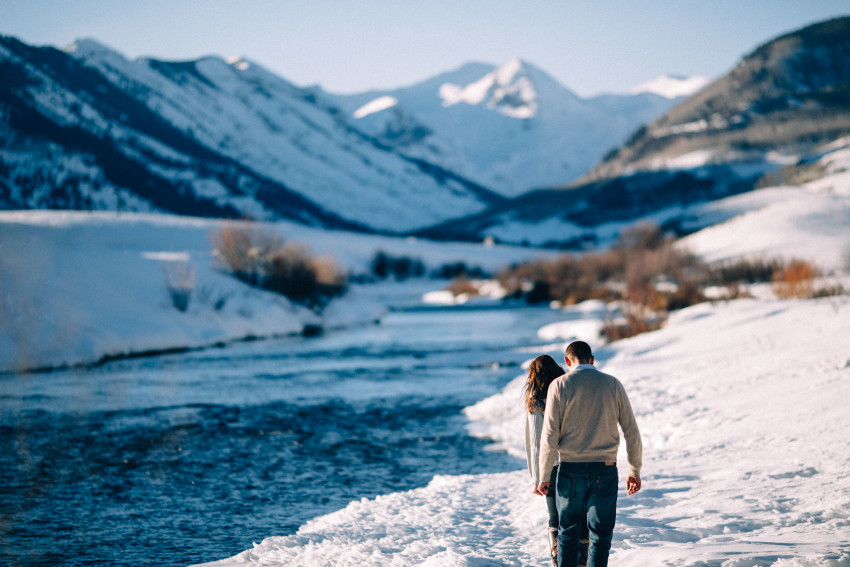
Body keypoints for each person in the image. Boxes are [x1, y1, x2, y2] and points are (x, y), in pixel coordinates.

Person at [535, 341, 642, 567]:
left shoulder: (559, 386)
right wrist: (634, 471)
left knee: (568, 532)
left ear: (567, 361)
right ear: (592, 359)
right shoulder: (612, 384)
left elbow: (549, 435)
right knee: (600, 535)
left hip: (569, 469)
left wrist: (544, 476)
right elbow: (631, 431)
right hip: (604, 469)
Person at [523, 354, 589, 567]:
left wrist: (537, 477)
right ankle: (581, 560)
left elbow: (536, 443)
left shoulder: (537, 401)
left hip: (551, 467)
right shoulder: (568, 391)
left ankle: (558, 561)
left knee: (555, 517)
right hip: (577, 461)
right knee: (579, 513)